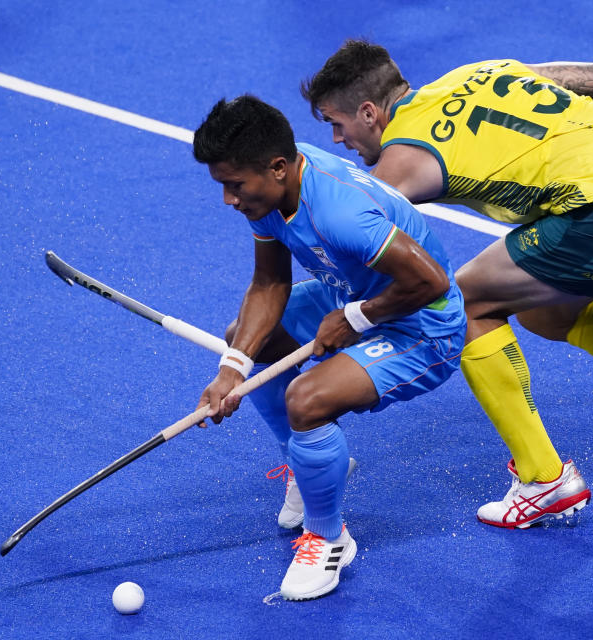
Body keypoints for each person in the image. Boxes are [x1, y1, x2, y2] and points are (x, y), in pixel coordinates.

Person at [300, 40, 593, 529]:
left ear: (371, 112)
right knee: (546, 312)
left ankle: (543, 478)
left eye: (337, 122)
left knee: (469, 303)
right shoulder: (479, 70)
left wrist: (347, 313)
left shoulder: (404, 160)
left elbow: (359, 239)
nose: (337, 139)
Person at [191, 95, 466, 599]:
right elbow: (270, 283)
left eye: (234, 186)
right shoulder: (271, 193)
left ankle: (328, 538)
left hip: (423, 325)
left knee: (307, 399)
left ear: (277, 167)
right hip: (353, 292)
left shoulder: (340, 212)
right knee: (244, 342)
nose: (229, 200)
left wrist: (357, 319)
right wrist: (233, 368)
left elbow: (430, 281)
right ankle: (303, 465)